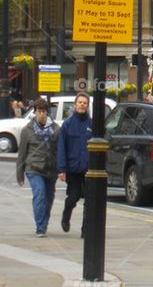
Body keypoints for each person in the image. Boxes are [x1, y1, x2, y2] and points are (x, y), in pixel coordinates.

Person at [16, 98, 59, 237]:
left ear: (47, 113)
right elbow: (22, 153)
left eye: (44, 112)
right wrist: (19, 174)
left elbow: (60, 150)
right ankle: (40, 227)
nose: (41, 114)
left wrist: (62, 169)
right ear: (35, 113)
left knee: (49, 198)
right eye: (39, 112)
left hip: (51, 168)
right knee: (39, 194)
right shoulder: (27, 130)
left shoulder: (56, 129)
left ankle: (44, 223)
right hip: (33, 168)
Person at [58, 92, 92, 235]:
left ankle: (86, 230)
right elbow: (61, 148)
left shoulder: (92, 124)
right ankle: (66, 216)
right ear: (75, 105)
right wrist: (61, 169)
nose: (82, 105)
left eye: (85, 103)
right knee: (74, 197)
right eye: (80, 102)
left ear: (88, 106)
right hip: (73, 169)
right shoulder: (67, 125)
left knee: (90, 201)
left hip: (89, 169)